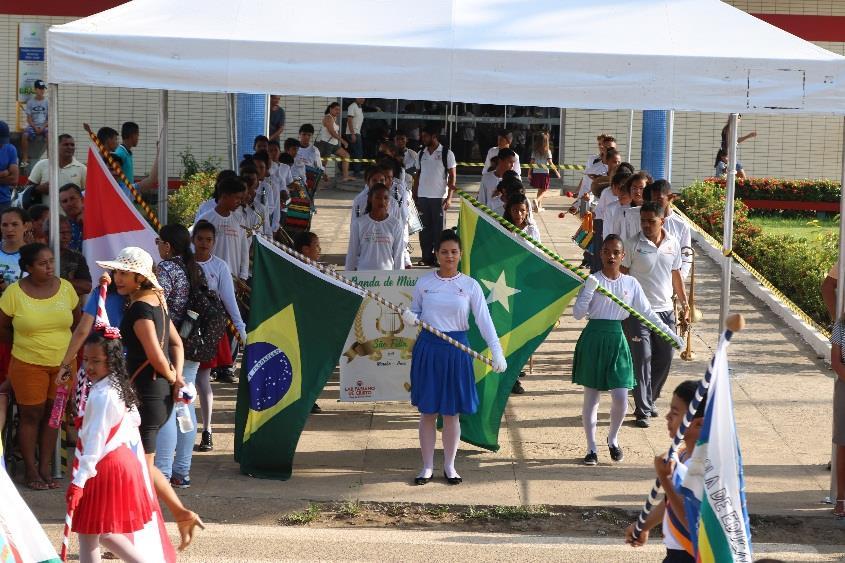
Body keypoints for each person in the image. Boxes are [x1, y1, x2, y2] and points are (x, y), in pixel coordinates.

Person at [94, 247, 203, 551]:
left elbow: (157, 356)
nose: (118, 277)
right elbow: (176, 345)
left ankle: (155, 527)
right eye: (117, 272)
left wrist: (173, 378)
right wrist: (176, 378)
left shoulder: (140, 310)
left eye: (124, 273)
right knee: (141, 468)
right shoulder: (158, 301)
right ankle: (166, 521)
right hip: (156, 394)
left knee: (140, 470)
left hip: (146, 395)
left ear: (140, 277)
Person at [402, 230, 506, 485]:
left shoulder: (470, 285)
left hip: (457, 350)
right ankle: (427, 466)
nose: (450, 256)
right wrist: (410, 316)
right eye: (444, 252)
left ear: (460, 255)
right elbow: (415, 310)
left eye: (454, 252)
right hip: (428, 349)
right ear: (436, 254)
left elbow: (484, 321)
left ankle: (449, 466)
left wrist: (497, 351)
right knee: (427, 411)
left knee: (451, 414)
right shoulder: (424, 283)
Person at [572, 235, 682, 465]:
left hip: (616, 339)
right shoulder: (593, 280)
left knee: (621, 398)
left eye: (615, 252)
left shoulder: (631, 284)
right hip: (594, 339)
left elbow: (648, 314)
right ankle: (591, 448)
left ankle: (613, 440)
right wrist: (590, 290)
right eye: (606, 251)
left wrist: (671, 334)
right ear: (600, 254)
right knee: (591, 399)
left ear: (623, 256)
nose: (610, 256)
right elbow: (578, 313)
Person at [67, 330, 156, 563]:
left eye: (96, 361)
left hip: (103, 467)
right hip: (122, 461)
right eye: (86, 360)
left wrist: (78, 482)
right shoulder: (117, 385)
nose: (89, 367)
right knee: (104, 532)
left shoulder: (102, 395)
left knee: (88, 536)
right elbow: (134, 419)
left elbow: (94, 444)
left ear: (111, 361)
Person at [0, 243, 80, 489]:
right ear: (28, 268)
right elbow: (3, 327)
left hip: (63, 366)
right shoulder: (14, 293)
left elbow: (76, 323)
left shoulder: (66, 288)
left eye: (51, 261)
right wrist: (22, 346)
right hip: (27, 365)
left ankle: (46, 467)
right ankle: (31, 471)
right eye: (43, 263)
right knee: (31, 415)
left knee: (53, 416)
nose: (49, 267)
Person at [622, 202, 689, 426]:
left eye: (651, 221)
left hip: (665, 311)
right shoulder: (632, 244)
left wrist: (684, 304)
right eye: (643, 220)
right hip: (637, 312)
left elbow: (675, 273)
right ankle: (642, 410)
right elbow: (622, 273)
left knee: (666, 357)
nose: (646, 225)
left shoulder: (673, 243)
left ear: (662, 220)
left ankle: (650, 399)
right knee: (642, 359)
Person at [625, 380, 705, 563]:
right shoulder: (684, 454)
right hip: (676, 554)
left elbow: (693, 523)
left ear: (699, 424)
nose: (667, 417)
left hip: (691, 556)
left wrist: (665, 479)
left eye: (675, 413)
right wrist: (644, 525)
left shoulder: (704, 467)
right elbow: (672, 500)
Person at [153, 224, 205, 488]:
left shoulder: (166, 269)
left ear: (167, 245)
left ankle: (162, 472)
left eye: (158, 241)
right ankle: (182, 471)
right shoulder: (193, 267)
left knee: (167, 407)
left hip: (170, 345)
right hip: (193, 344)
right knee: (185, 404)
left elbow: (158, 307)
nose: (157, 246)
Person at [191, 221, 247, 451]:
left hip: (207, 330)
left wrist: (241, 330)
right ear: (193, 240)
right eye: (200, 239)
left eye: (208, 240)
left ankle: (207, 430)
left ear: (214, 242)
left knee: (203, 381)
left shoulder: (221, 267)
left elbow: (229, 302)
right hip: (184, 330)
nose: (204, 244)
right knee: (183, 382)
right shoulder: (183, 264)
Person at [413, 124, 457, 267]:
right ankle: (426, 257)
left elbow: (452, 176)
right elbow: (417, 176)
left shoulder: (446, 153)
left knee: (439, 231)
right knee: (424, 229)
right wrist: (414, 195)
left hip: (439, 198)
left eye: (425, 136)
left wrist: (450, 197)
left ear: (434, 137)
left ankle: (439, 257)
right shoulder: (421, 153)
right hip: (423, 197)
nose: (422, 138)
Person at [196, 176, 250, 281]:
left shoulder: (239, 219)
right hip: (209, 278)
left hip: (233, 279)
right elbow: (196, 249)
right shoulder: (205, 219)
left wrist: (243, 276)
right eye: (237, 198)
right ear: (224, 196)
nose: (239, 202)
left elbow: (244, 249)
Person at [293, 230, 324, 414]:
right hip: (300, 324)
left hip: (315, 324)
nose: (320, 249)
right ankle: (302, 399)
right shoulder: (295, 268)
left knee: (312, 364)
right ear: (305, 249)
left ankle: (309, 398)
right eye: (316, 246)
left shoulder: (318, 268)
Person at [345, 183, 406, 271]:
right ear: (370, 199)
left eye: (385, 198)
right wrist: (347, 275)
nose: (382, 201)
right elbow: (352, 252)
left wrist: (399, 278)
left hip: (387, 276)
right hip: (363, 275)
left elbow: (398, 254)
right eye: (377, 198)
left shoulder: (395, 224)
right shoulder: (359, 223)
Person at [647, 180, 692, 280]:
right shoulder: (644, 221)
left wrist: (680, 279)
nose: (655, 203)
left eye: (659, 199)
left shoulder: (682, 225)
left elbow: (686, 256)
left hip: (670, 279)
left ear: (670, 197)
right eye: (652, 199)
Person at [26, 134, 87, 205]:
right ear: (56, 146)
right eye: (66, 144)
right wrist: (38, 189)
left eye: (72, 145)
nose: (70, 147)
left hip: (71, 215)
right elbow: (27, 189)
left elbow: (87, 194)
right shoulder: (42, 165)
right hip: (46, 214)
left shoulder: (82, 168)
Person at [50, 216, 93, 297]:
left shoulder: (76, 257)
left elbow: (86, 287)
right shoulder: (39, 256)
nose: (66, 236)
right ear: (48, 233)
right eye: (62, 233)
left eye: (69, 232)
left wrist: (57, 281)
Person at [527, 131, 559, 212]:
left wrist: (529, 173)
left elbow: (531, 163)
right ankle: (536, 200)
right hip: (544, 173)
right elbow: (551, 163)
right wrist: (556, 172)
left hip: (536, 173)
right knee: (544, 190)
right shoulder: (547, 151)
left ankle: (538, 206)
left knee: (540, 189)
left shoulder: (535, 151)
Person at [20, 80, 49, 167]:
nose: (42, 91)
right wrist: (35, 127)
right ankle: (25, 158)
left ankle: (49, 159)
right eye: (40, 89)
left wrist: (43, 127)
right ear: (35, 89)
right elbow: (29, 119)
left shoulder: (47, 102)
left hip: (44, 126)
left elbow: (49, 119)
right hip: (33, 126)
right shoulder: (30, 102)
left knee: (49, 135)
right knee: (25, 135)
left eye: (43, 89)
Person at [59, 183, 84, 253]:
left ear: (82, 200)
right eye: (65, 201)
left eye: (72, 198)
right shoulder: (58, 226)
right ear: (61, 206)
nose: (69, 204)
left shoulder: (97, 219)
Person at [0, 121, 19, 211]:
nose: (1, 145)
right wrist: (4, 174)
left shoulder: (10, 149)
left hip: (4, 201)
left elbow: (14, 180)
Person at [113, 122, 139, 187]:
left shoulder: (127, 153)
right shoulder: (119, 154)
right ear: (132, 135)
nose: (138, 138)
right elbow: (114, 180)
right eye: (137, 135)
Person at [346, 98, 366, 176]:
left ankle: (354, 170)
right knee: (358, 152)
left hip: (357, 132)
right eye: (360, 98)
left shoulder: (359, 107)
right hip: (353, 133)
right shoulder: (352, 106)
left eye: (364, 98)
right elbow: (349, 120)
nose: (362, 99)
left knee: (355, 152)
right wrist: (352, 134)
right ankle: (356, 172)